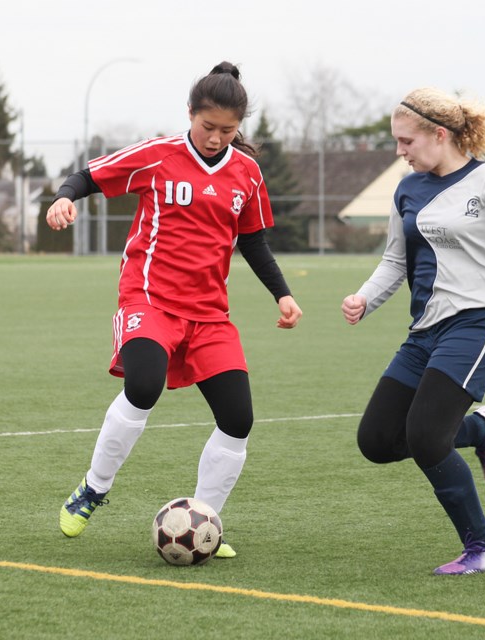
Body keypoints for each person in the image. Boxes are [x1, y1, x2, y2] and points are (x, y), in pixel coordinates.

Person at [47, 62, 302, 559]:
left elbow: (253, 242)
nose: (216, 138)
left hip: (209, 314)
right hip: (150, 298)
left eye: (228, 130)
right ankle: (94, 488)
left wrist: (283, 294)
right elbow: (87, 176)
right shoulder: (158, 155)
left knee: (238, 418)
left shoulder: (246, 173)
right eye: (208, 127)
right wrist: (63, 199)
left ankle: (204, 523)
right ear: (190, 114)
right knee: (143, 385)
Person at [341, 87, 485, 575]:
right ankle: (481, 428)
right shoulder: (408, 189)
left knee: (426, 438)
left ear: (440, 135)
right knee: (377, 441)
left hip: (480, 323)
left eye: (406, 142)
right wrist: (364, 298)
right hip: (424, 333)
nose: (400, 151)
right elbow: (396, 260)